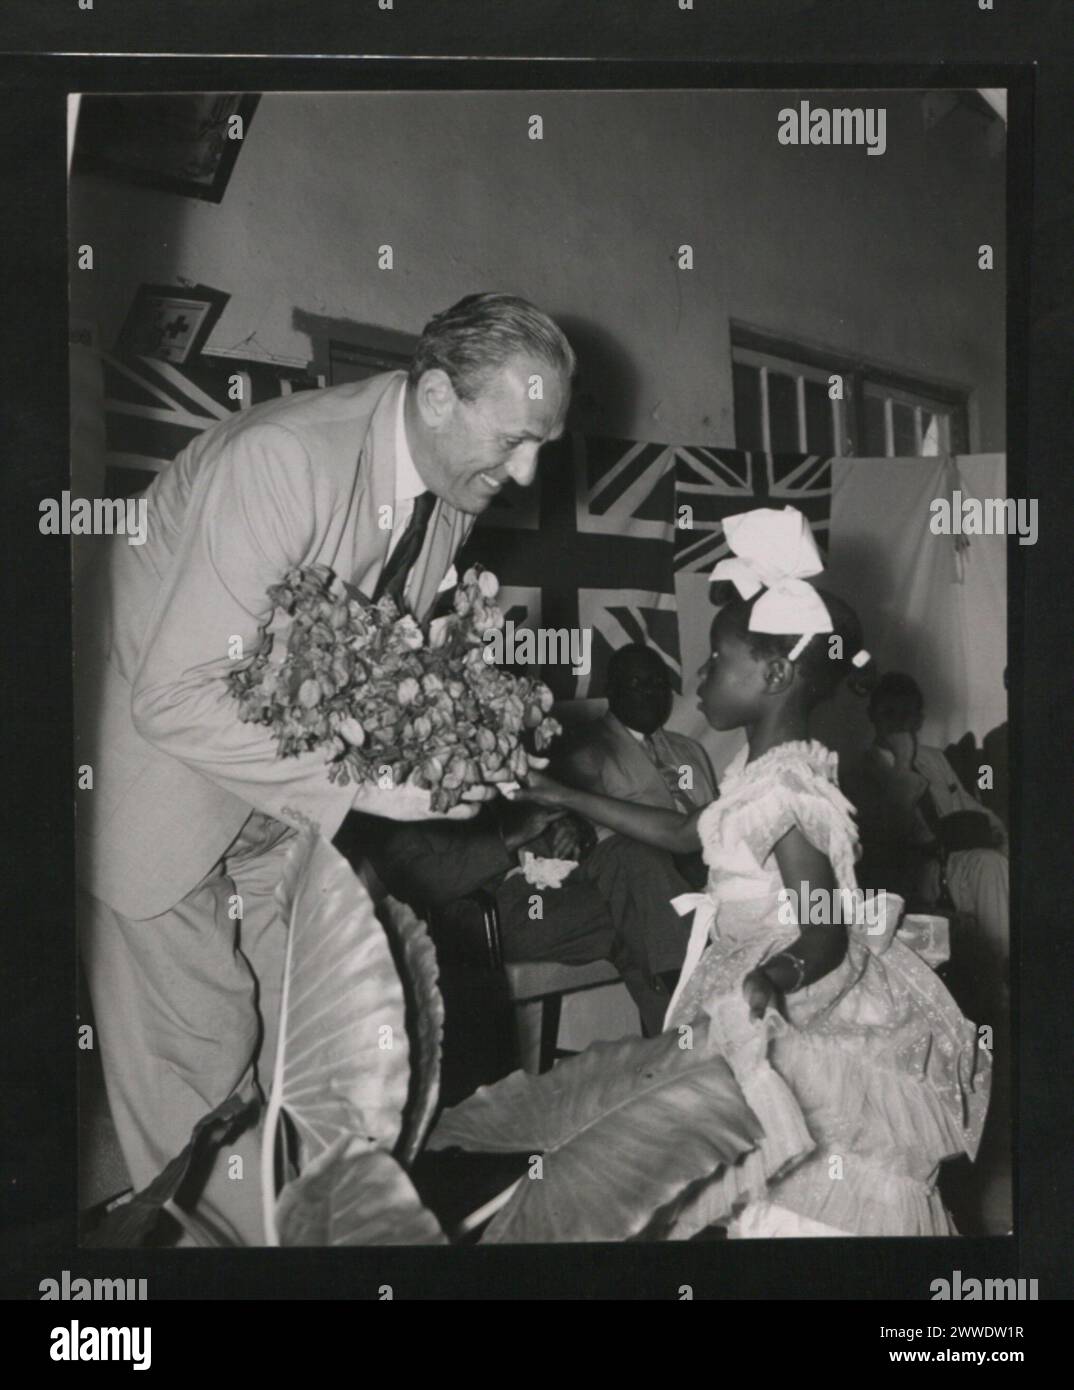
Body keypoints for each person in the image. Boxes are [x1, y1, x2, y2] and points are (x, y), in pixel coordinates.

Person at [76, 292, 574, 1243]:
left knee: (319, 1054)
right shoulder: (284, 461)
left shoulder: (447, 502)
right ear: (435, 395)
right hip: (156, 799)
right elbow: (173, 696)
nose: (528, 470)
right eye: (515, 439)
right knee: (209, 1076)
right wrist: (384, 787)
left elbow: (360, 677)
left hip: (268, 815)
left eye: (543, 442)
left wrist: (448, 757)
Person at [511, 506, 991, 1238]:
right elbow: (681, 828)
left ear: (772, 673)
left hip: (792, 1001)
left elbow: (825, 926)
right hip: (746, 976)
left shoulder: (790, 793)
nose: (699, 677)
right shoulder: (754, 774)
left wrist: (781, 977)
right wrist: (556, 792)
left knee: (797, 1197)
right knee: (752, 1187)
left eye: (715, 660)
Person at [548, 643, 719, 1030]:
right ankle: (687, 1012)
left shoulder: (689, 750)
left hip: (695, 870)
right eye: (638, 683)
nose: (651, 692)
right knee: (641, 860)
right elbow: (563, 823)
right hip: (632, 874)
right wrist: (569, 823)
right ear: (612, 690)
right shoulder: (583, 748)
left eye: (659, 684)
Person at [848, 671, 1009, 1000]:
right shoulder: (860, 771)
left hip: (957, 858)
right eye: (888, 714)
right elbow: (890, 831)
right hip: (915, 870)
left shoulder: (934, 759)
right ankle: (1002, 979)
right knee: (988, 866)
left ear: (918, 719)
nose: (897, 723)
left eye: (906, 714)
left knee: (1001, 857)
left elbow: (968, 805)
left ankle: (1011, 967)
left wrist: (995, 830)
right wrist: (903, 763)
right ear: (872, 716)